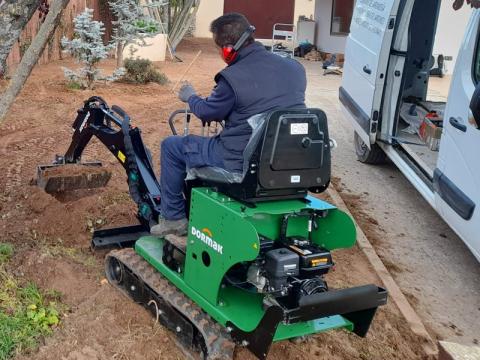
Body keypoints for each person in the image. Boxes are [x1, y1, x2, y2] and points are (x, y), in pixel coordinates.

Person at [150, 13, 307, 236]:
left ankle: (174, 219)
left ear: (228, 48)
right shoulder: (294, 68)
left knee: (172, 146)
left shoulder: (232, 78)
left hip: (239, 159)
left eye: (218, 48)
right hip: (286, 160)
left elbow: (206, 112)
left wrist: (191, 97)